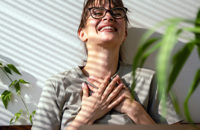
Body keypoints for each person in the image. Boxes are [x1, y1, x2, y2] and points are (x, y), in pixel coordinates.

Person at [32, 0, 182, 129]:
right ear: (82, 33)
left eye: (117, 12)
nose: (109, 16)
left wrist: (134, 110)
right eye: (97, 12)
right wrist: (85, 117)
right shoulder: (57, 85)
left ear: (125, 34)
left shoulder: (149, 80)